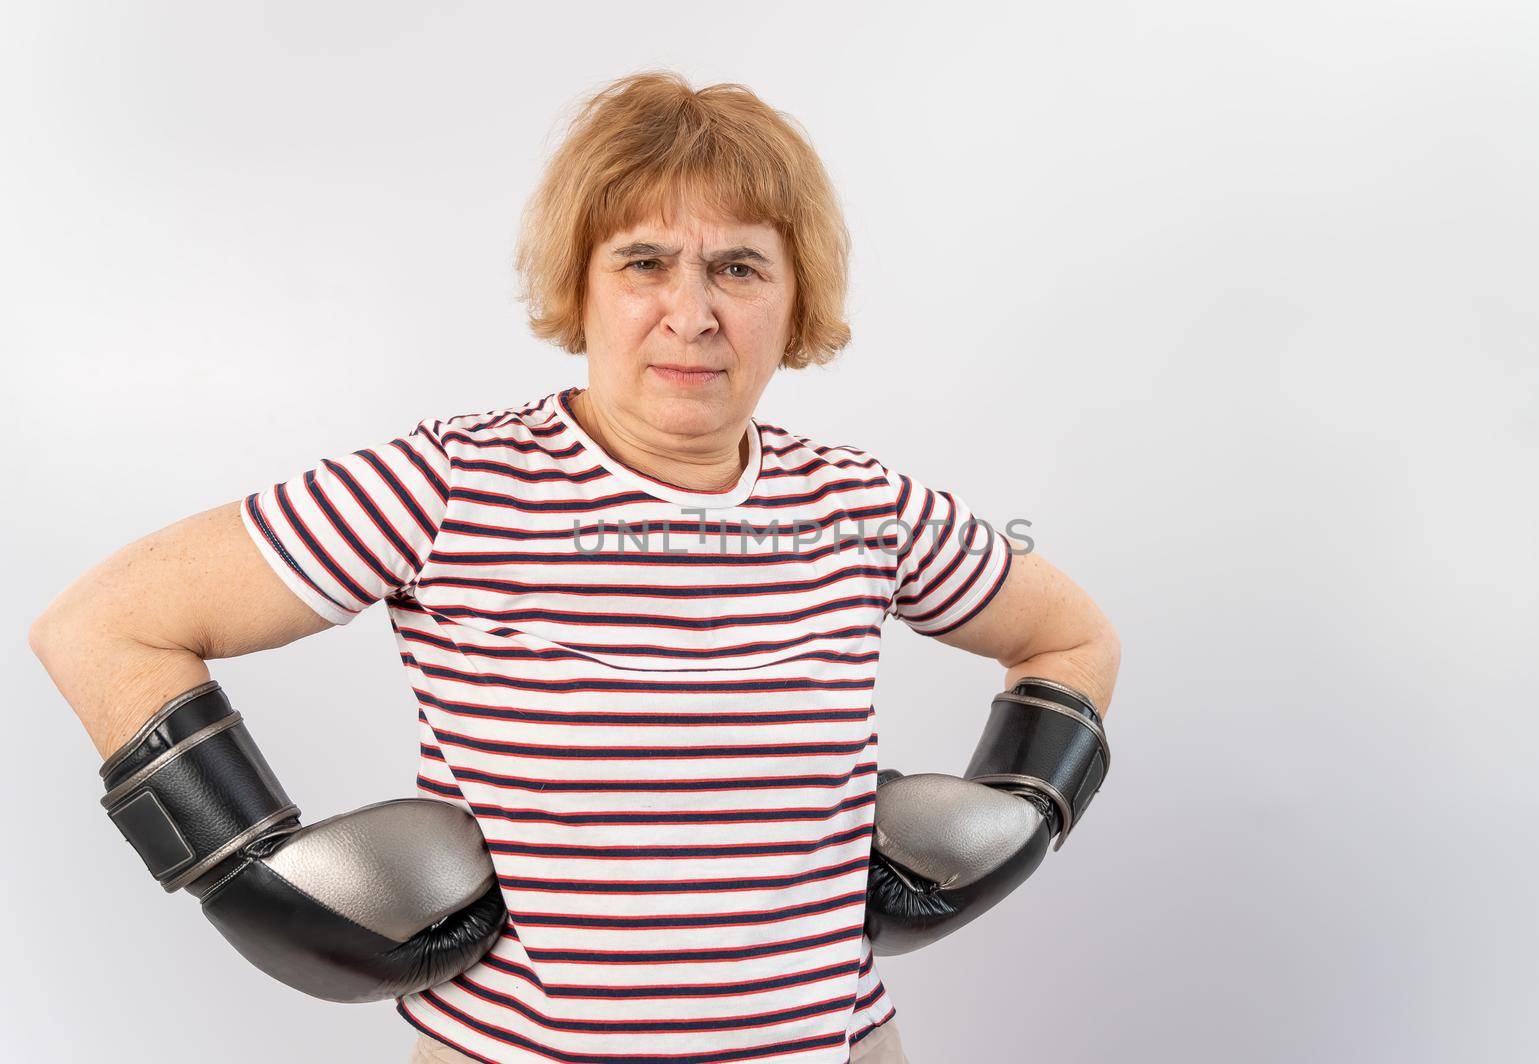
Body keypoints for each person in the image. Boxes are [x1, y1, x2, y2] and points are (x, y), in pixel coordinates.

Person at [29, 71, 1120, 1063]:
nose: (690, 313)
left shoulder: (862, 506)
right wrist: (240, 865)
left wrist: (1020, 810)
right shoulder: (446, 483)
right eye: (643, 261)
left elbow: (1073, 636)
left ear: (794, 299)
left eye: (739, 266)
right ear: (581, 283)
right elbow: (104, 623)